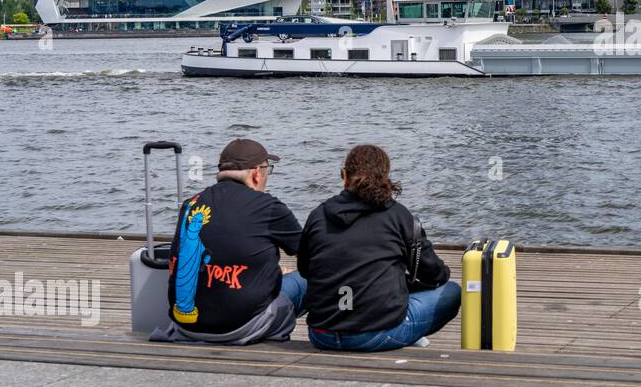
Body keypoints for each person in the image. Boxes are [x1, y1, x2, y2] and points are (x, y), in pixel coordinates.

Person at [294, 144, 461, 352]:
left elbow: (305, 270)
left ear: (344, 175)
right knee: (452, 291)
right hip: (375, 335)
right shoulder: (399, 216)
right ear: (385, 178)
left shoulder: (318, 214)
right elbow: (435, 275)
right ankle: (408, 333)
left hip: (321, 335)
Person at [151, 138, 304, 345]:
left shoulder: (190, 205)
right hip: (240, 327)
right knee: (307, 279)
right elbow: (310, 253)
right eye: (269, 169)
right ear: (257, 173)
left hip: (186, 326)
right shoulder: (269, 207)